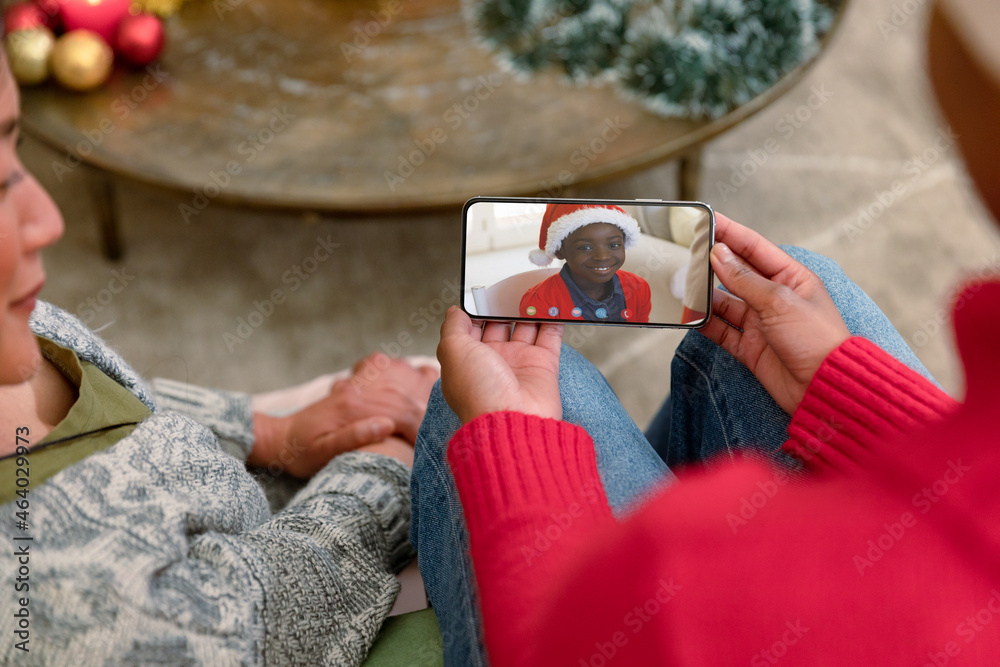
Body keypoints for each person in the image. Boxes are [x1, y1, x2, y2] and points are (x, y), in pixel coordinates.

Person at [409, 0, 1000, 664]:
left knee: (527, 388)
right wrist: (855, 391)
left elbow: (571, 641)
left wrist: (513, 448)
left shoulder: (697, 581)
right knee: (796, 292)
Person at [0, 50, 438, 664]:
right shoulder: (43, 601)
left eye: (15, 146)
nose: (47, 219)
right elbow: (266, 623)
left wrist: (265, 429)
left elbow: (125, 416)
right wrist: (384, 467)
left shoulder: (12, 327)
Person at [519, 203, 651, 322]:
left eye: (614, 245)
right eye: (585, 248)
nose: (603, 257)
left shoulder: (639, 288)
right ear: (559, 251)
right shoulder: (539, 303)